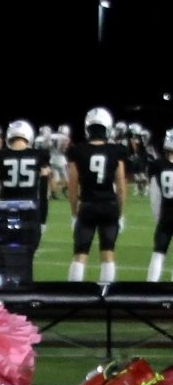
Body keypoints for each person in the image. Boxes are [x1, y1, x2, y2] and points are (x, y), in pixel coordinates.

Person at [66, 106, 127, 285]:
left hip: (87, 205)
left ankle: (74, 296)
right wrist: (121, 213)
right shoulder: (116, 150)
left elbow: (72, 185)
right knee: (108, 253)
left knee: (80, 253)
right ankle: (105, 297)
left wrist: (73, 213)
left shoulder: (77, 150)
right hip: (109, 205)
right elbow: (121, 185)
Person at [0, 118, 50, 245]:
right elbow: (44, 192)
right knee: (27, 252)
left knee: (7, 250)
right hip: (30, 211)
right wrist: (42, 219)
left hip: (6, 209)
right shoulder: (40, 155)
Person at [146, 127, 173, 282]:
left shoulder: (158, 165)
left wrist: (158, 217)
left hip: (165, 214)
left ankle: (150, 286)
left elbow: (155, 196)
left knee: (158, 253)